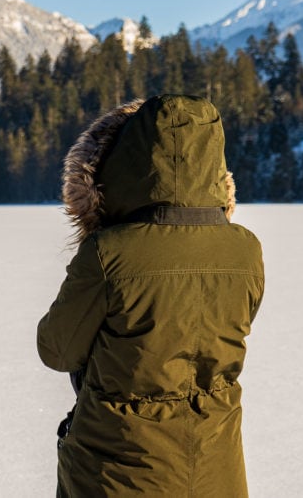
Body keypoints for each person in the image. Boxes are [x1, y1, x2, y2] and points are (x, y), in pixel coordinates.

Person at [37, 94, 265, 497]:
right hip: (217, 467)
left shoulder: (110, 253)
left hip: (119, 472)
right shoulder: (246, 250)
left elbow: (57, 350)